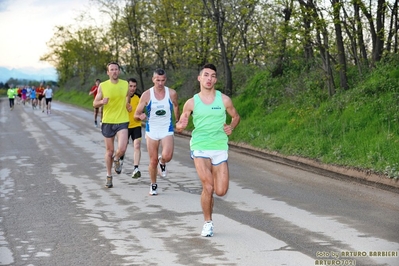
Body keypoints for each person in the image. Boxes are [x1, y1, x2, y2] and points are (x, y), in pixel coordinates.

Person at [175, 63, 240, 237]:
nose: (209, 78)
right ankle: (207, 223)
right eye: (205, 75)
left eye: (212, 75)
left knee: (221, 191)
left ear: (216, 79)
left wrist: (231, 127)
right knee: (209, 186)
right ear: (199, 78)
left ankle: (209, 203)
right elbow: (181, 122)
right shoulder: (191, 102)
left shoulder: (224, 100)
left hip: (219, 146)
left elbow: (236, 116)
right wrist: (180, 125)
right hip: (200, 146)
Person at [134, 68, 180, 196]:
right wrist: (140, 116)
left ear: (165, 80)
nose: (160, 83)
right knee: (152, 160)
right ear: (153, 79)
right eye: (157, 80)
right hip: (152, 129)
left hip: (166, 128)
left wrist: (178, 121)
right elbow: (136, 114)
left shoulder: (171, 93)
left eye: (162, 80)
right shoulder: (146, 95)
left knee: (167, 156)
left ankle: (163, 161)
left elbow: (176, 106)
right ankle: (153, 185)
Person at [93, 62, 131, 188]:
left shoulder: (125, 84)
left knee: (123, 148)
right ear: (108, 72)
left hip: (122, 119)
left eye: (116, 69)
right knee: (109, 151)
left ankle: (117, 159)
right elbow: (94, 103)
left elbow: (127, 97)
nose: (114, 71)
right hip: (108, 121)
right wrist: (101, 102)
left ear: (119, 71)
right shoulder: (103, 86)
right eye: (111, 69)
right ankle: (109, 176)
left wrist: (128, 105)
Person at [119, 78, 142, 179]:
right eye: (130, 86)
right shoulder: (122, 97)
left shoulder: (139, 97)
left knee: (137, 145)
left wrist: (142, 115)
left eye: (134, 86)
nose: (132, 88)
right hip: (124, 126)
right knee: (123, 148)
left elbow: (142, 110)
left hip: (136, 125)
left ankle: (136, 168)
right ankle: (120, 160)